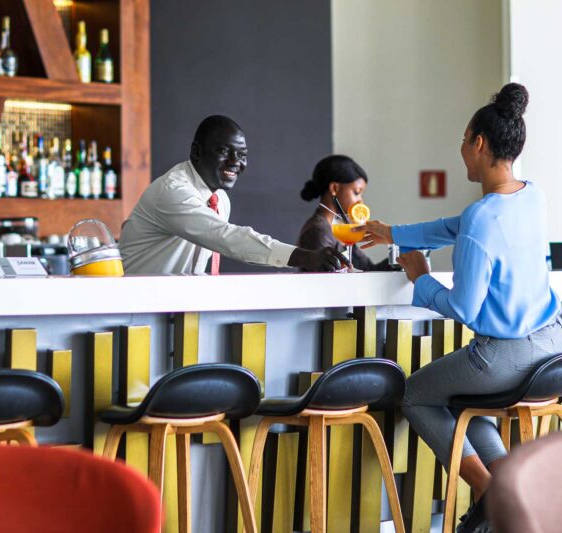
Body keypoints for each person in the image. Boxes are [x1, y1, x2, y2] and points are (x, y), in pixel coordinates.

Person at [360, 83, 562, 533]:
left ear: (478, 143)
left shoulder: (481, 217)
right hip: (552, 346)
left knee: (417, 395)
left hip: (504, 355)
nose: (461, 151)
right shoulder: (534, 195)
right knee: (462, 405)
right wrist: (395, 233)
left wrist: (421, 280)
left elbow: (465, 309)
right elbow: (457, 226)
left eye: (462, 141)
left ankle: (491, 490)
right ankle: (510, 490)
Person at [119, 115, 348, 274]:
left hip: (177, 307)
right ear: (196, 152)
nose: (235, 162)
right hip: (135, 309)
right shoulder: (173, 191)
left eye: (242, 154)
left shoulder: (219, 199)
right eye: (224, 151)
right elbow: (227, 238)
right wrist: (305, 256)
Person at [298, 155, 390, 271]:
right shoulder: (317, 232)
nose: (361, 201)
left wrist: (399, 254)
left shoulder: (344, 229)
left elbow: (369, 269)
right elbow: (326, 283)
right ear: (335, 188)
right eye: (357, 192)